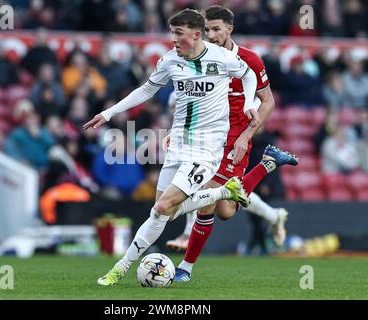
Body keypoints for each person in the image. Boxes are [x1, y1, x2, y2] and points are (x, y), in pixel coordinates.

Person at [83, 8, 259, 286]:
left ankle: (120, 268)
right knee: (162, 211)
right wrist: (108, 113)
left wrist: (249, 103)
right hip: (178, 144)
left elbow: (249, 75)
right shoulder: (170, 61)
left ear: (196, 34)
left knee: (164, 206)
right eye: (172, 33)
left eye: (179, 33)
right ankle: (224, 191)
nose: (173, 38)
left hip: (207, 149)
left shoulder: (223, 58)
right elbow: (145, 90)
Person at [164, 6, 298, 282]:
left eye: (216, 29)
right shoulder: (198, 58)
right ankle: (267, 165)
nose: (211, 35)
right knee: (222, 207)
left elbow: (268, 101)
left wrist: (247, 136)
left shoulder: (248, 60)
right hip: (204, 137)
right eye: (207, 30)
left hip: (235, 139)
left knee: (213, 205)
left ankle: (185, 268)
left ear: (229, 29)